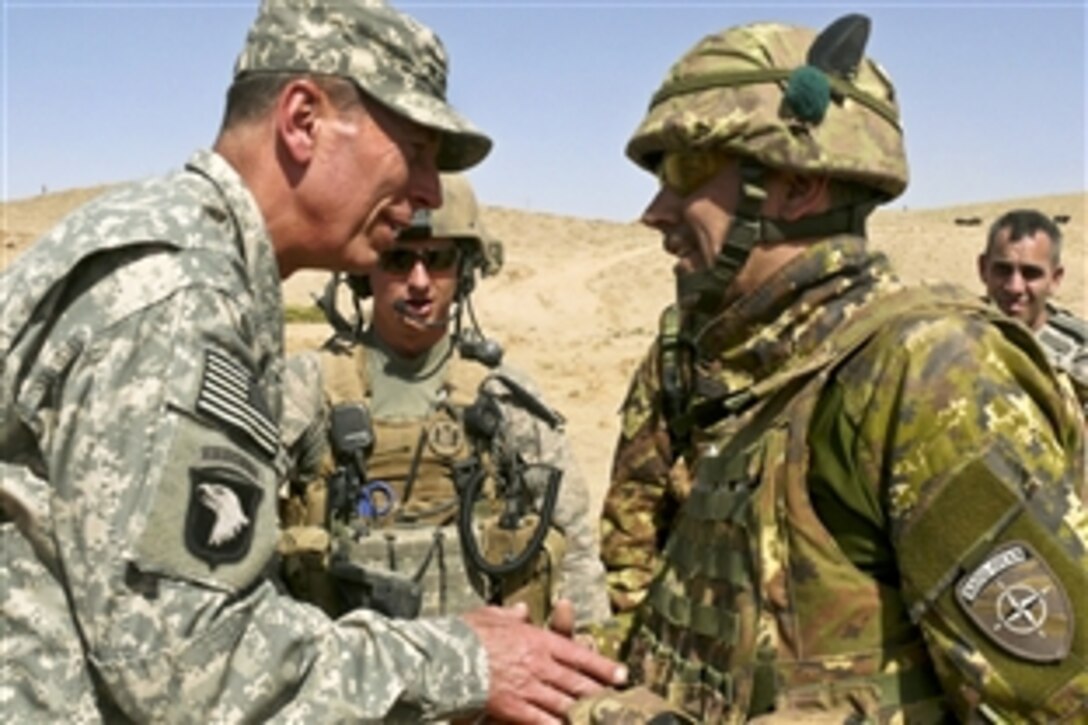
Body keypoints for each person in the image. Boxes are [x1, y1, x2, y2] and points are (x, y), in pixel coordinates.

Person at [0, 1, 624, 721]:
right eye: (415, 151)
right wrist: (463, 661)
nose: (428, 192)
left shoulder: (198, 262)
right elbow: (189, 667)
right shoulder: (178, 290)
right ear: (303, 120)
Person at [578, 13, 1087, 723]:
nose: (656, 209)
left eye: (686, 169)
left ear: (794, 187)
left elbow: (1056, 706)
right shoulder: (753, 377)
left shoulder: (929, 376)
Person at [279, 172, 611, 628]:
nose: (419, 281)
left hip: (488, 678)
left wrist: (587, 647)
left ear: (465, 274)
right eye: (397, 259)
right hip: (345, 681)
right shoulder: (307, 388)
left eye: (438, 260)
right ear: (363, 272)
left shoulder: (501, 398)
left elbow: (573, 542)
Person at [978, 208, 1087, 414]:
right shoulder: (958, 331)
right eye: (1003, 270)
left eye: (1031, 273)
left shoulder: (1079, 350)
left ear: (1055, 279)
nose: (1015, 287)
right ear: (983, 268)